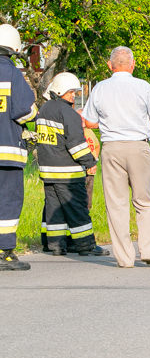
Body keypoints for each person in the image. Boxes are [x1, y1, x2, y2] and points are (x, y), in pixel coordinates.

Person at [82, 46, 150, 268]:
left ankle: (124, 258)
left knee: (116, 204)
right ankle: (148, 251)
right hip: (138, 146)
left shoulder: (100, 88)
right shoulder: (143, 87)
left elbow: (89, 123)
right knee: (144, 201)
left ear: (110, 66)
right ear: (133, 64)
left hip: (112, 147)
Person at [36, 73, 106, 256]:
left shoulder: (44, 110)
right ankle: (85, 245)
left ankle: (55, 245)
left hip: (48, 171)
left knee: (53, 209)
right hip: (68, 173)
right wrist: (90, 162)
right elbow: (77, 146)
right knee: (77, 208)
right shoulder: (69, 114)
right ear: (60, 91)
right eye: (71, 92)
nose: (73, 96)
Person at [0, 24, 37, 271]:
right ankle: (5, 252)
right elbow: (25, 110)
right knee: (8, 201)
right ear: (14, 47)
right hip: (7, 151)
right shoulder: (11, 72)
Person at [78, 109, 100, 209]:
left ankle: (87, 213)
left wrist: (95, 160)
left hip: (90, 170)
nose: (82, 119)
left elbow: (97, 145)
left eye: (84, 117)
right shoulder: (75, 132)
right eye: (80, 117)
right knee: (78, 195)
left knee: (88, 194)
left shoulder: (89, 131)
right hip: (78, 170)